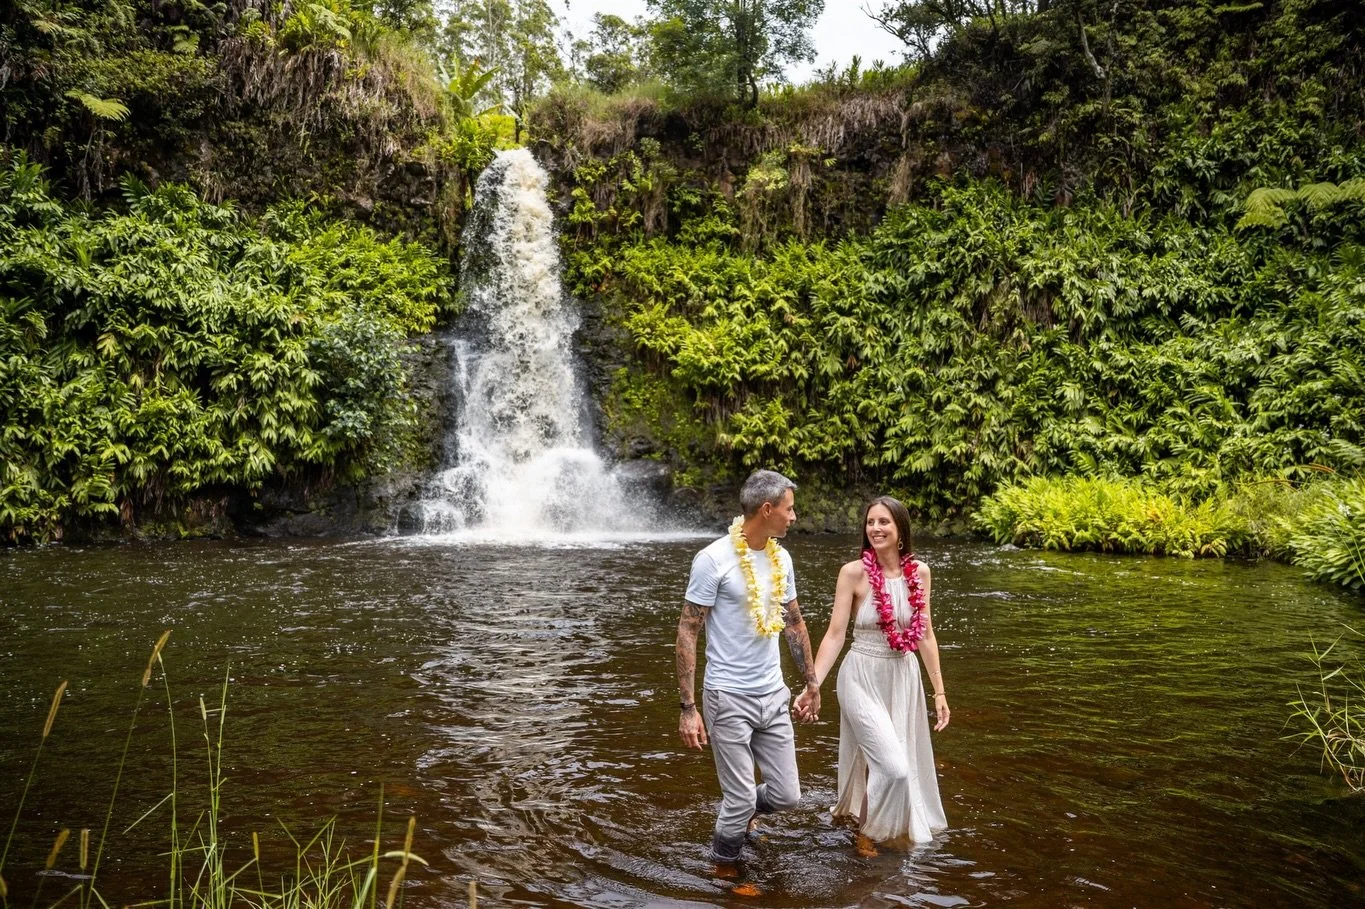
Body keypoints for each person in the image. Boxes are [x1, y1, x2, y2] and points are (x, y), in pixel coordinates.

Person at [676, 469, 820, 865]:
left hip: (773, 694)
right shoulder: (713, 560)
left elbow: (793, 621)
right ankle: (725, 871)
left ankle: (739, 816)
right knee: (738, 799)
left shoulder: (782, 558)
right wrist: (688, 709)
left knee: (788, 795)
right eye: (789, 509)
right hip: (727, 697)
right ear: (768, 509)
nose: (794, 517)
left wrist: (811, 682)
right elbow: (688, 631)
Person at [803, 495, 949, 847]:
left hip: (903, 676)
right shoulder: (853, 573)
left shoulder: (921, 574)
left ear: (900, 530)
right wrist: (813, 685)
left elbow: (926, 635)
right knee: (894, 769)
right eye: (870, 522)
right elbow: (835, 635)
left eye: (884, 522)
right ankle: (871, 836)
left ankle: (864, 830)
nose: (875, 528)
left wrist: (940, 692)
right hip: (860, 676)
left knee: (886, 763)